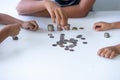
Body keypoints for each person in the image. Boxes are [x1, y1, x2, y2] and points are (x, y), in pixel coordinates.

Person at [16, 0, 95, 29]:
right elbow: (20, 8)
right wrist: (45, 3)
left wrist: (36, 11)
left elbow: (81, 10)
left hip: (85, 22)